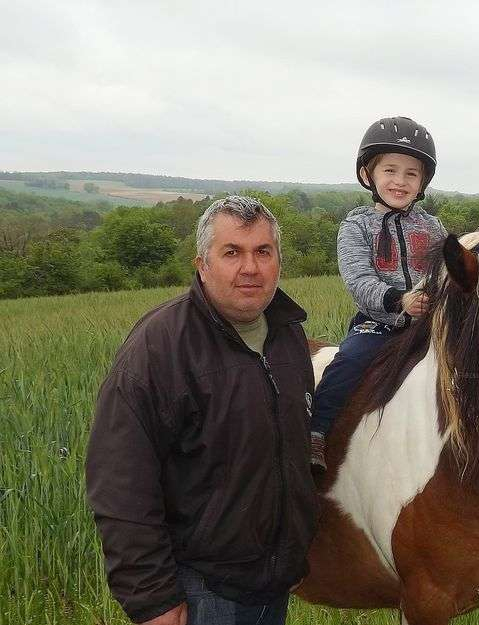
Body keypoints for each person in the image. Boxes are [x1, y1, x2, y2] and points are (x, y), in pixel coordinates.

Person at [86, 196, 318, 625]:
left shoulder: (287, 335)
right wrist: (153, 599)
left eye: (262, 252)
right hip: (199, 591)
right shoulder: (160, 348)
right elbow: (121, 483)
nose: (250, 267)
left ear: (278, 262)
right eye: (232, 252)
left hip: (273, 585)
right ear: (202, 264)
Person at [309, 116, 446, 473]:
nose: (400, 181)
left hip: (428, 322)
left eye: (411, 174)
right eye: (390, 170)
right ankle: (317, 431)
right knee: (348, 361)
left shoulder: (432, 227)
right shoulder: (356, 226)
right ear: (368, 175)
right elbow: (358, 278)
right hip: (379, 323)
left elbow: (446, 272)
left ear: (422, 183)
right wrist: (399, 300)